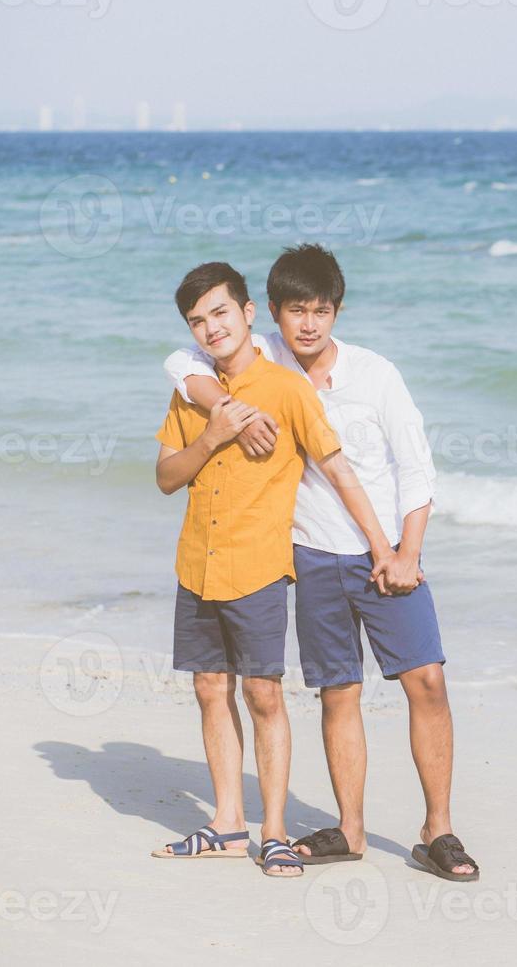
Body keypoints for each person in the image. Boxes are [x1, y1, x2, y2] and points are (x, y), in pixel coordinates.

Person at [163, 245, 477, 881]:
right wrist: (223, 411)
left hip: (384, 553)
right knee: (339, 694)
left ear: (336, 311)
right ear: (271, 314)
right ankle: (351, 830)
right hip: (308, 556)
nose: (308, 324)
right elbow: (182, 358)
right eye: (296, 311)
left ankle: (438, 829)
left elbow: (416, 469)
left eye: (321, 310)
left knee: (428, 682)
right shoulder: (261, 360)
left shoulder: (376, 375)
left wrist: (404, 551)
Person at [149, 262, 397, 878]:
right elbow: (165, 477)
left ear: (248, 313)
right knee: (210, 689)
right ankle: (228, 826)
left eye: (221, 314)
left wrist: (383, 547)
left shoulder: (288, 390)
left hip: (258, 567)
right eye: (198, 321)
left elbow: (338, 469)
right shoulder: (191, 389)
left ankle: (276, 831)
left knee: (264, 695)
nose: (211, 328)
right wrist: (216, 433)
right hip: (195, 563)